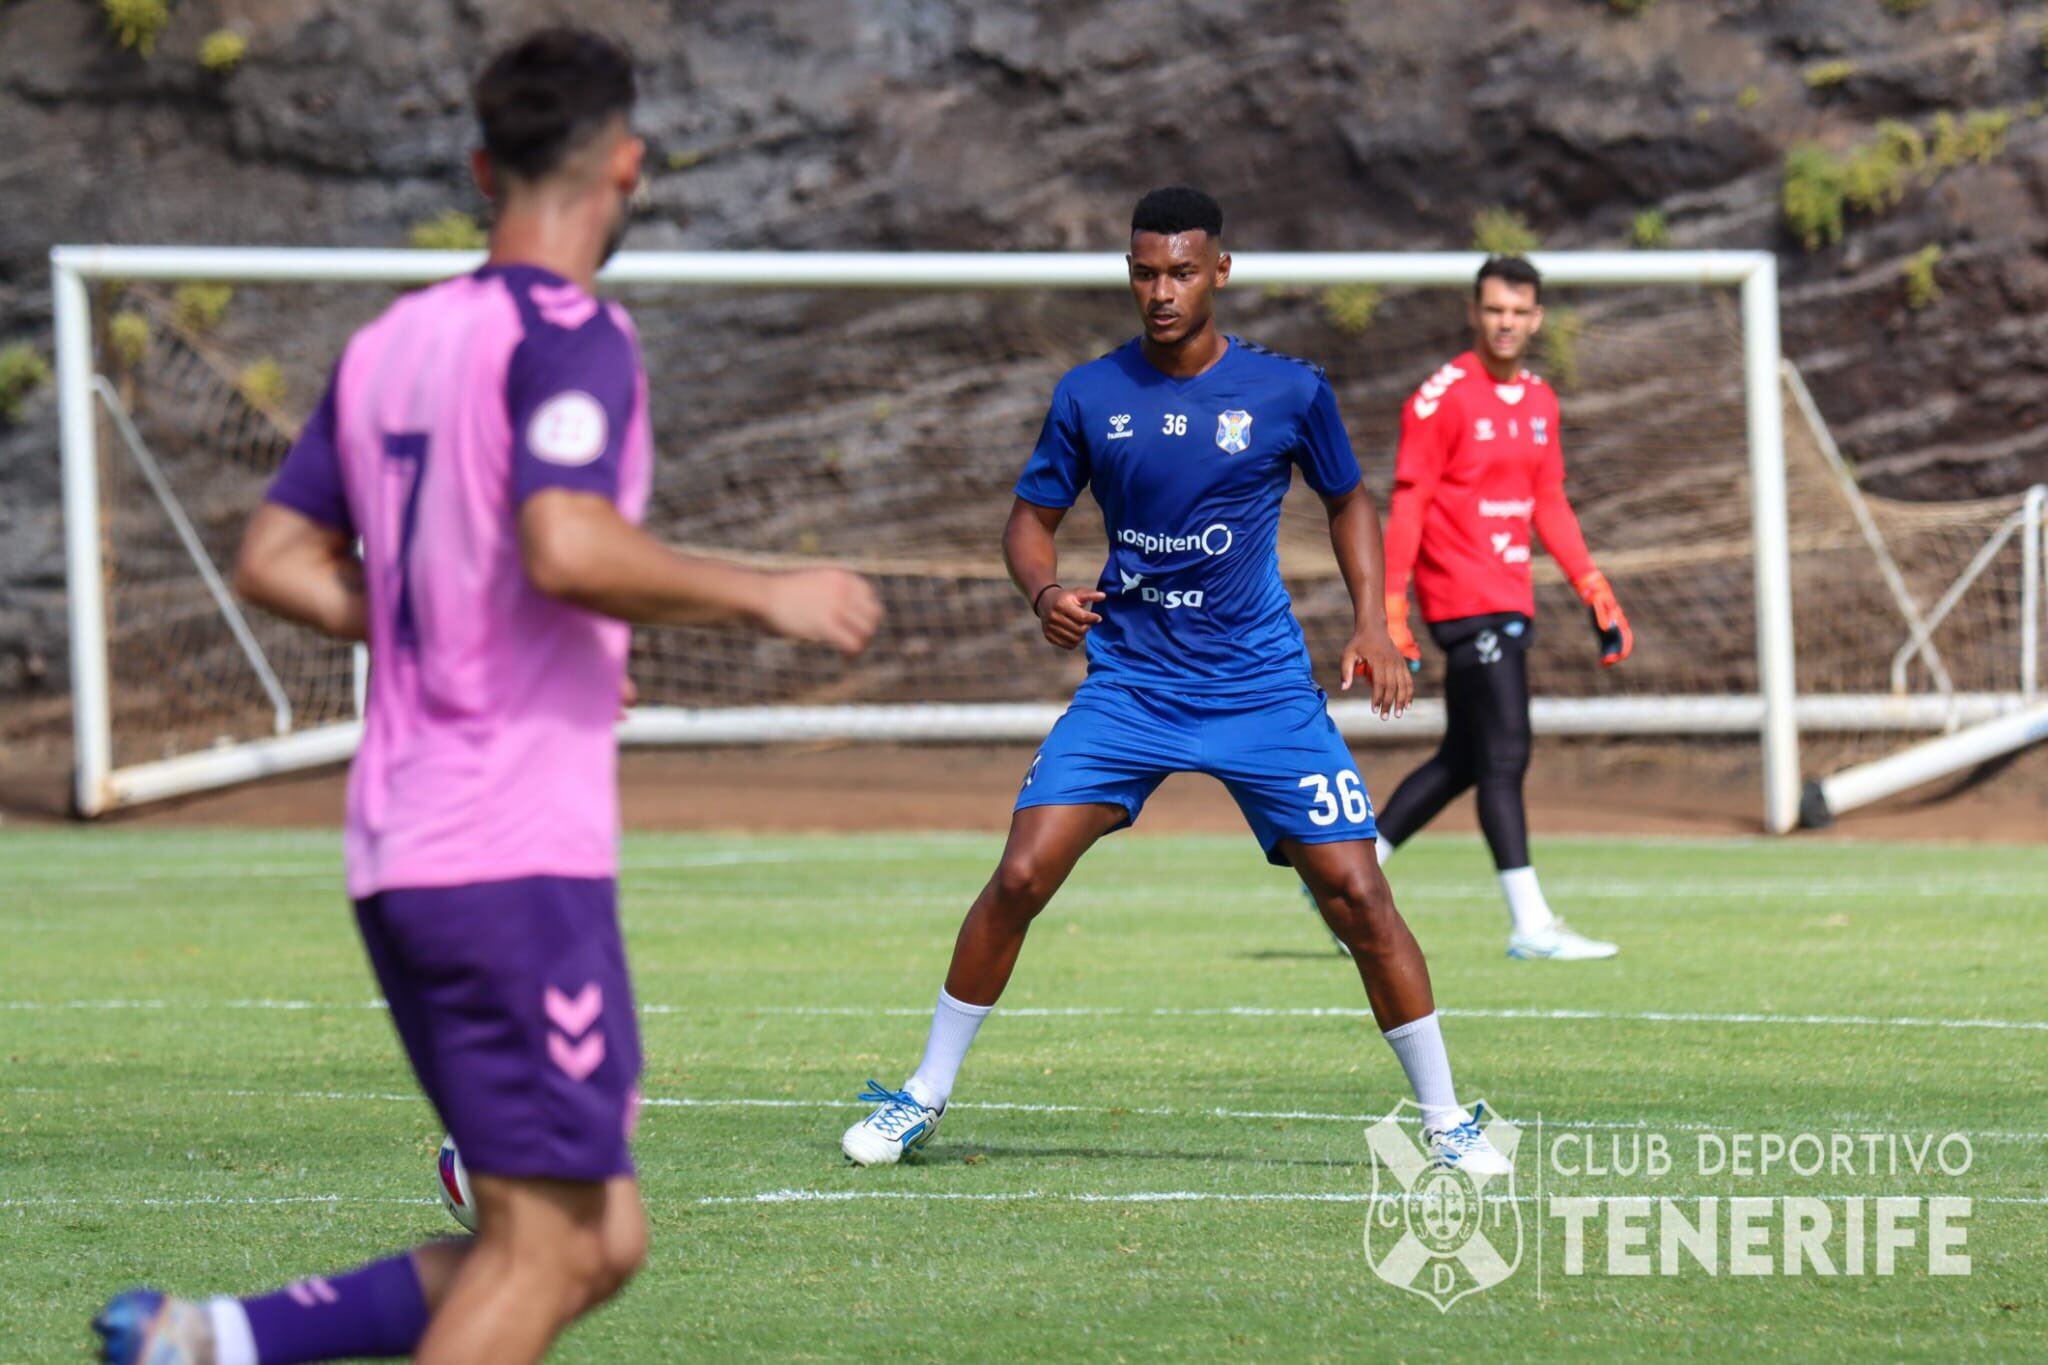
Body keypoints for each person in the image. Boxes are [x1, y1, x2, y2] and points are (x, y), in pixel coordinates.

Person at [93, 28, 881, 1365]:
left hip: (402, 843)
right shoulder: (574, 335)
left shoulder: (396, 339)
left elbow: (278, 560)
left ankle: (215, 1342)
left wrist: (443, 626)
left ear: (478, 165)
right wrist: (763, 590)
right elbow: (564, 542)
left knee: (594, 1237)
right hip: (506, 848)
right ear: (627, 164)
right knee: (558, 1243)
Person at [838, 186, 1508, 1177]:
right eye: (1144, 272)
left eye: (1181, 271)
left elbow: (1347, 498)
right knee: (1020, 875)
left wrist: (1371, 619)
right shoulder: (1088, 394)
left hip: (1260, 691)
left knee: (1359, 894)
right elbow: (1028, 519)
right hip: (1130, 687)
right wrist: (1042, 594)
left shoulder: (1288, 390)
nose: (1161, 291)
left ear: (1218, 273)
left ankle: (1447, 1120)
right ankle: (920, 1097)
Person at [1373, 255, 1630, 962]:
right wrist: (1393, 605)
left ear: (1536, 318)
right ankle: (1530, 923)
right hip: (1461, 594)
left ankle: (1347, 873)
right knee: (1508, 750)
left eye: (1518, 312)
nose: (1506, 323)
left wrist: (1592, 586)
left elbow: (1548, 501)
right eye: (1493, 310)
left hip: (1511, 592)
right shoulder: (1441, 397)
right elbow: (1409, 503)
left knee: (1465, 757)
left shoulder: (1542, 400)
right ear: (1474, 312)